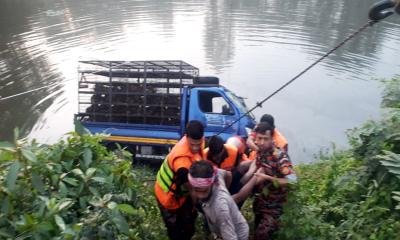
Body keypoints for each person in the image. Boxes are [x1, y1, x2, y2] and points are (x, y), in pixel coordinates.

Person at [244, 122, 296, 240]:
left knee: (261, 235)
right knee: (256, 228)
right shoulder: (261, 151)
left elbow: (292, 181)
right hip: (261, 201)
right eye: (260, 139)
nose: (262, 142)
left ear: (272, 139)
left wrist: (268, 178)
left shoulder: (279, 156)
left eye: (265, 139)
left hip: (275, 205)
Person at [154, 120, 205, 240]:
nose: (195, 148)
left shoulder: (199, 141)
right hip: (167, 197)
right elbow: (192, 191)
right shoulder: (181, 162)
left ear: (202, 138)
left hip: (182, 194)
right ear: (186, 137)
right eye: (192, 144)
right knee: (176, 232)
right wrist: (202, 207)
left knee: (189, 227)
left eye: (198, 144)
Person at [189, 160, 252, 240]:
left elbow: (231, 237)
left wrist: (225, 196)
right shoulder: (215, 173)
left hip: (237, 234)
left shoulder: (220, 207)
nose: (200, 196)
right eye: (196, 190)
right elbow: (228, 174)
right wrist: (227, 190)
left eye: (204, 191)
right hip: (223, 227)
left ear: (211, 183)